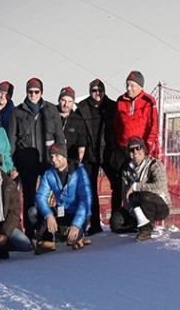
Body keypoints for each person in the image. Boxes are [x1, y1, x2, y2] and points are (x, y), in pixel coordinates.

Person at [7, 78, 65, 240]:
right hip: (26, 162)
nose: (33, 95)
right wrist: (12, 165)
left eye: (36, 92)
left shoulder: (51, 110)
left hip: (48, 162)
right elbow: (11, 140)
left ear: (41, 92)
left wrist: (62, 160)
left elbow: (60, 138)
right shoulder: (17, 112)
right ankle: (31, 232)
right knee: (29, 198)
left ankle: (53, 230)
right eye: (30, 91)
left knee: (52, 197)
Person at [32, 143, 92, 254]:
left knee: (71, 239)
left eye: (57, 155)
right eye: (51, 156)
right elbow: (41, 196)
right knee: (33, 212)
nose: (53, 159)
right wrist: (48, 214)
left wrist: (76, 224)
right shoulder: (49, 173)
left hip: (78, 215)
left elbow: (86, 200)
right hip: (62, 212)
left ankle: (77, 235)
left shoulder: (79, 172)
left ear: (64, 156)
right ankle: (47, 242)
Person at [110, 136, 171, 241]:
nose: (135, 152)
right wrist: (131, 210)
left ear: (144, 149)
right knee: (116, 222)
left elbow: (160, 186)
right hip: (136, 206)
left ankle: (146, 229)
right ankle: (139, 223)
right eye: (131, 149)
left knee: (142, 196)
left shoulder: (155, 165)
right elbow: (125, 195)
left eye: (138, 148)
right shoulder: (126, 170)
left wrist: (136, 186)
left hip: (159, 205)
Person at [76, 78, 116, 235]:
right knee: (90, 189)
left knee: (117, 185)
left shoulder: (112, 106)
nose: (97, 93)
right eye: (94, 90)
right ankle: (94, 223)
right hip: (89, 153)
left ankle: (116, 220)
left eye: (100, 90)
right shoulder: (82, 107)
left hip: (107, 152)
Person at [113, 71, 159, 169]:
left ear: (140, 86)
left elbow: (153, 126)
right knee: (122, 179)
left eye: (132, 85)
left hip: (139, 150)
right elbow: (116, 124)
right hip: (123, 149)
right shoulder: (120, 101)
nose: (128, 88)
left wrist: (147, 147)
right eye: (127, 85)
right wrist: (118, 143)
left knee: (139, 180)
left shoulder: (148, 101)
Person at [56, 87, 87, 162]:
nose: (66, 104)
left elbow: (81, 143)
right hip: (52, 160)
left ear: (73, 102)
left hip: (71, 160)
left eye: (69, 101)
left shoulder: (78, 119)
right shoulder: (50, 115)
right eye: (63, 100)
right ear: (59, 100)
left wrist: (79, 162)